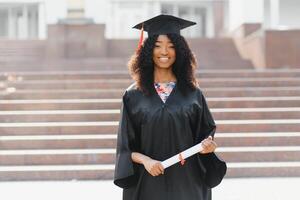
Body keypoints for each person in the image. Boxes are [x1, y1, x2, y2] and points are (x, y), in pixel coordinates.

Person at [114, 14, 226, 200]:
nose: (164, 51)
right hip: (147, 182)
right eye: (157, 45)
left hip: (188, 183)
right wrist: (147, 161)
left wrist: (208, 147)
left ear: (180, 51)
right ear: (148, 50)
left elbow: (205, 138)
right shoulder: (133, 95)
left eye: (171, 46)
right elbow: (125, 148)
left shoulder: (193, 94)